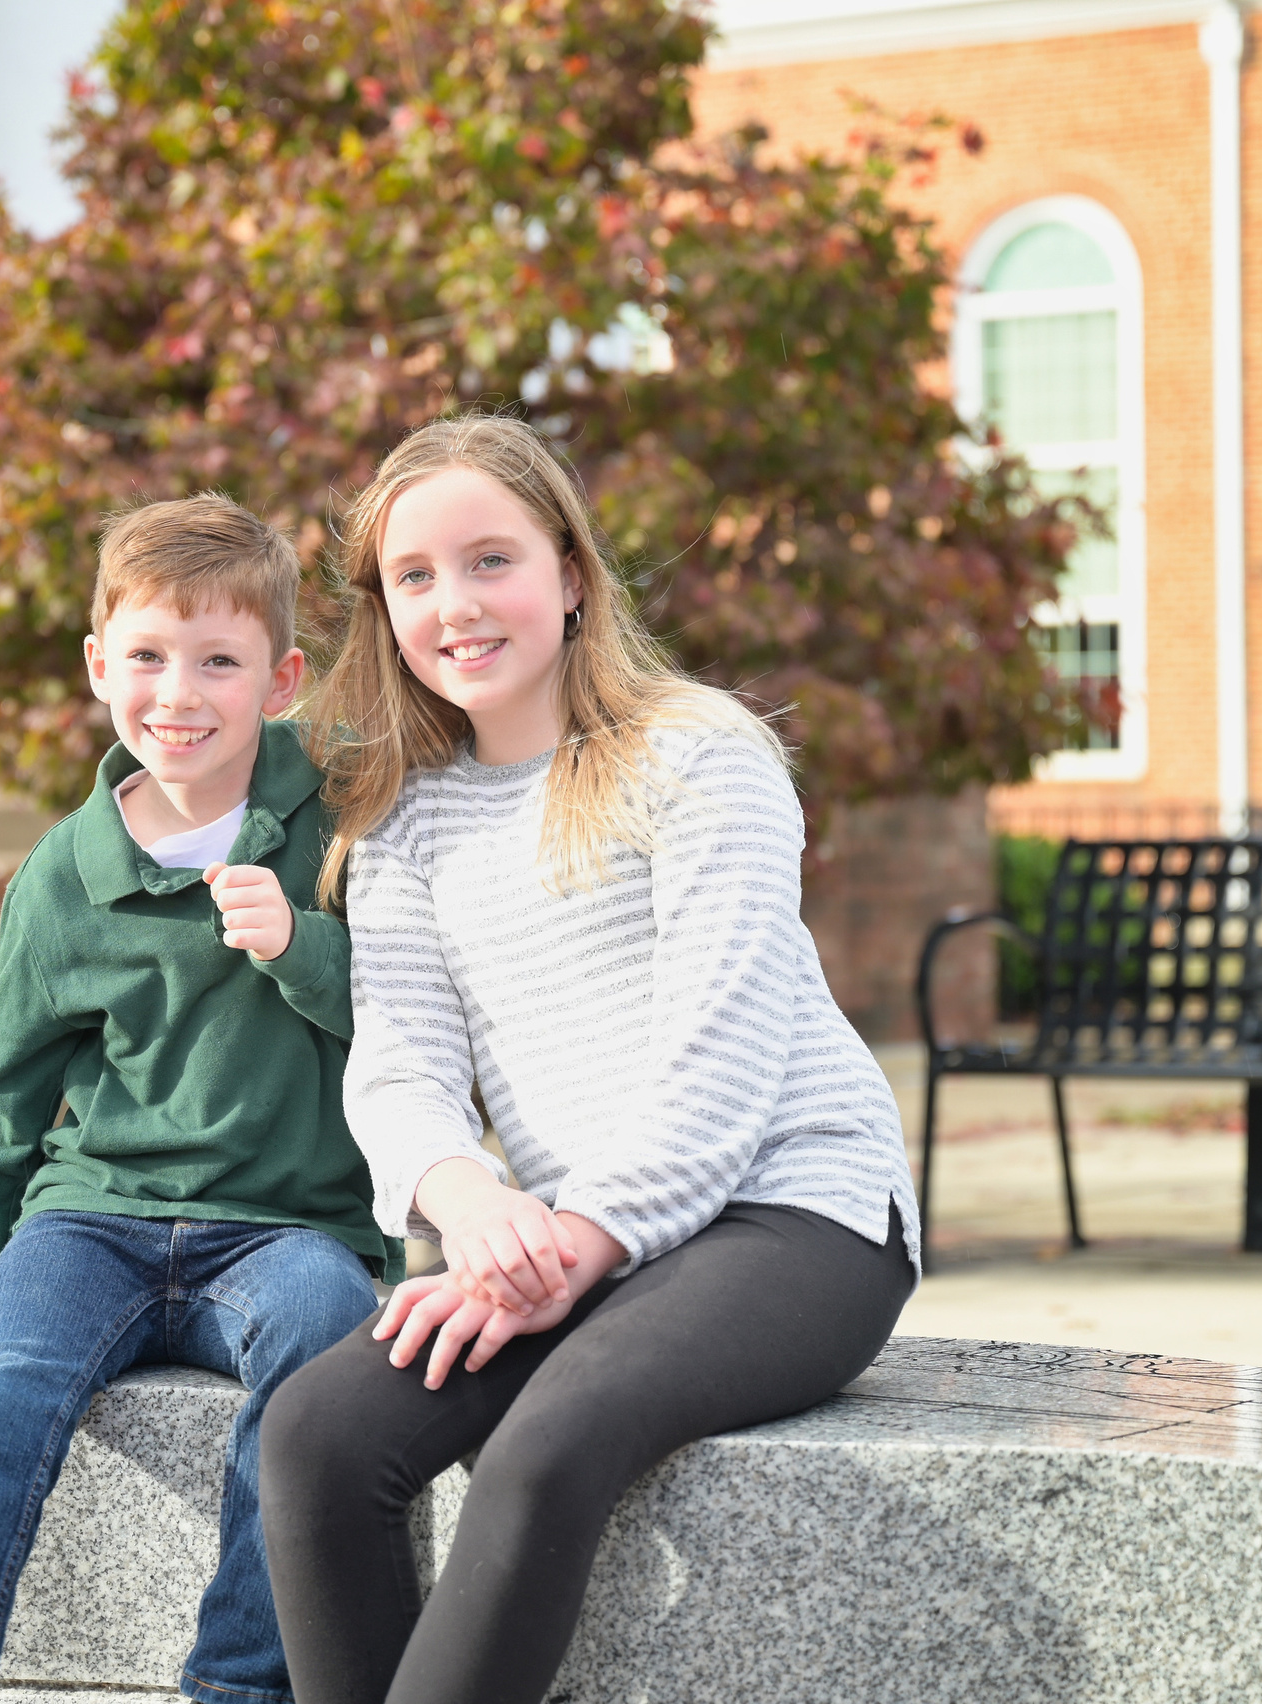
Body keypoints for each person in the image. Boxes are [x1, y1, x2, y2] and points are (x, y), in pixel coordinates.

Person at [257, 416, 922, 1704]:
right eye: (414, 576)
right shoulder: (401, 822)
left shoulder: (699, 753)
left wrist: (570, 1248)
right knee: (320, 1431)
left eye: (490, 559)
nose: (454, 604)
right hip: (573, 1241)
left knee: (545, 1446)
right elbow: (395, 1068)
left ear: (568, 572)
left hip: (793, 1217)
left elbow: (720, 1057)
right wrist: (470, 1203)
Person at [0, 494, 401, 1704]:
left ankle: (239, 1687)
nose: (177, 693)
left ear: (280, 678)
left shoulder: (344, 825)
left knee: (321, 1368)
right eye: (145, 657)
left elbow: (422, 1017)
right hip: (92, 1222)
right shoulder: (62, 878)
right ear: (98, 667)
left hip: (290, 1231)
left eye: (217, 661)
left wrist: (304, 947)